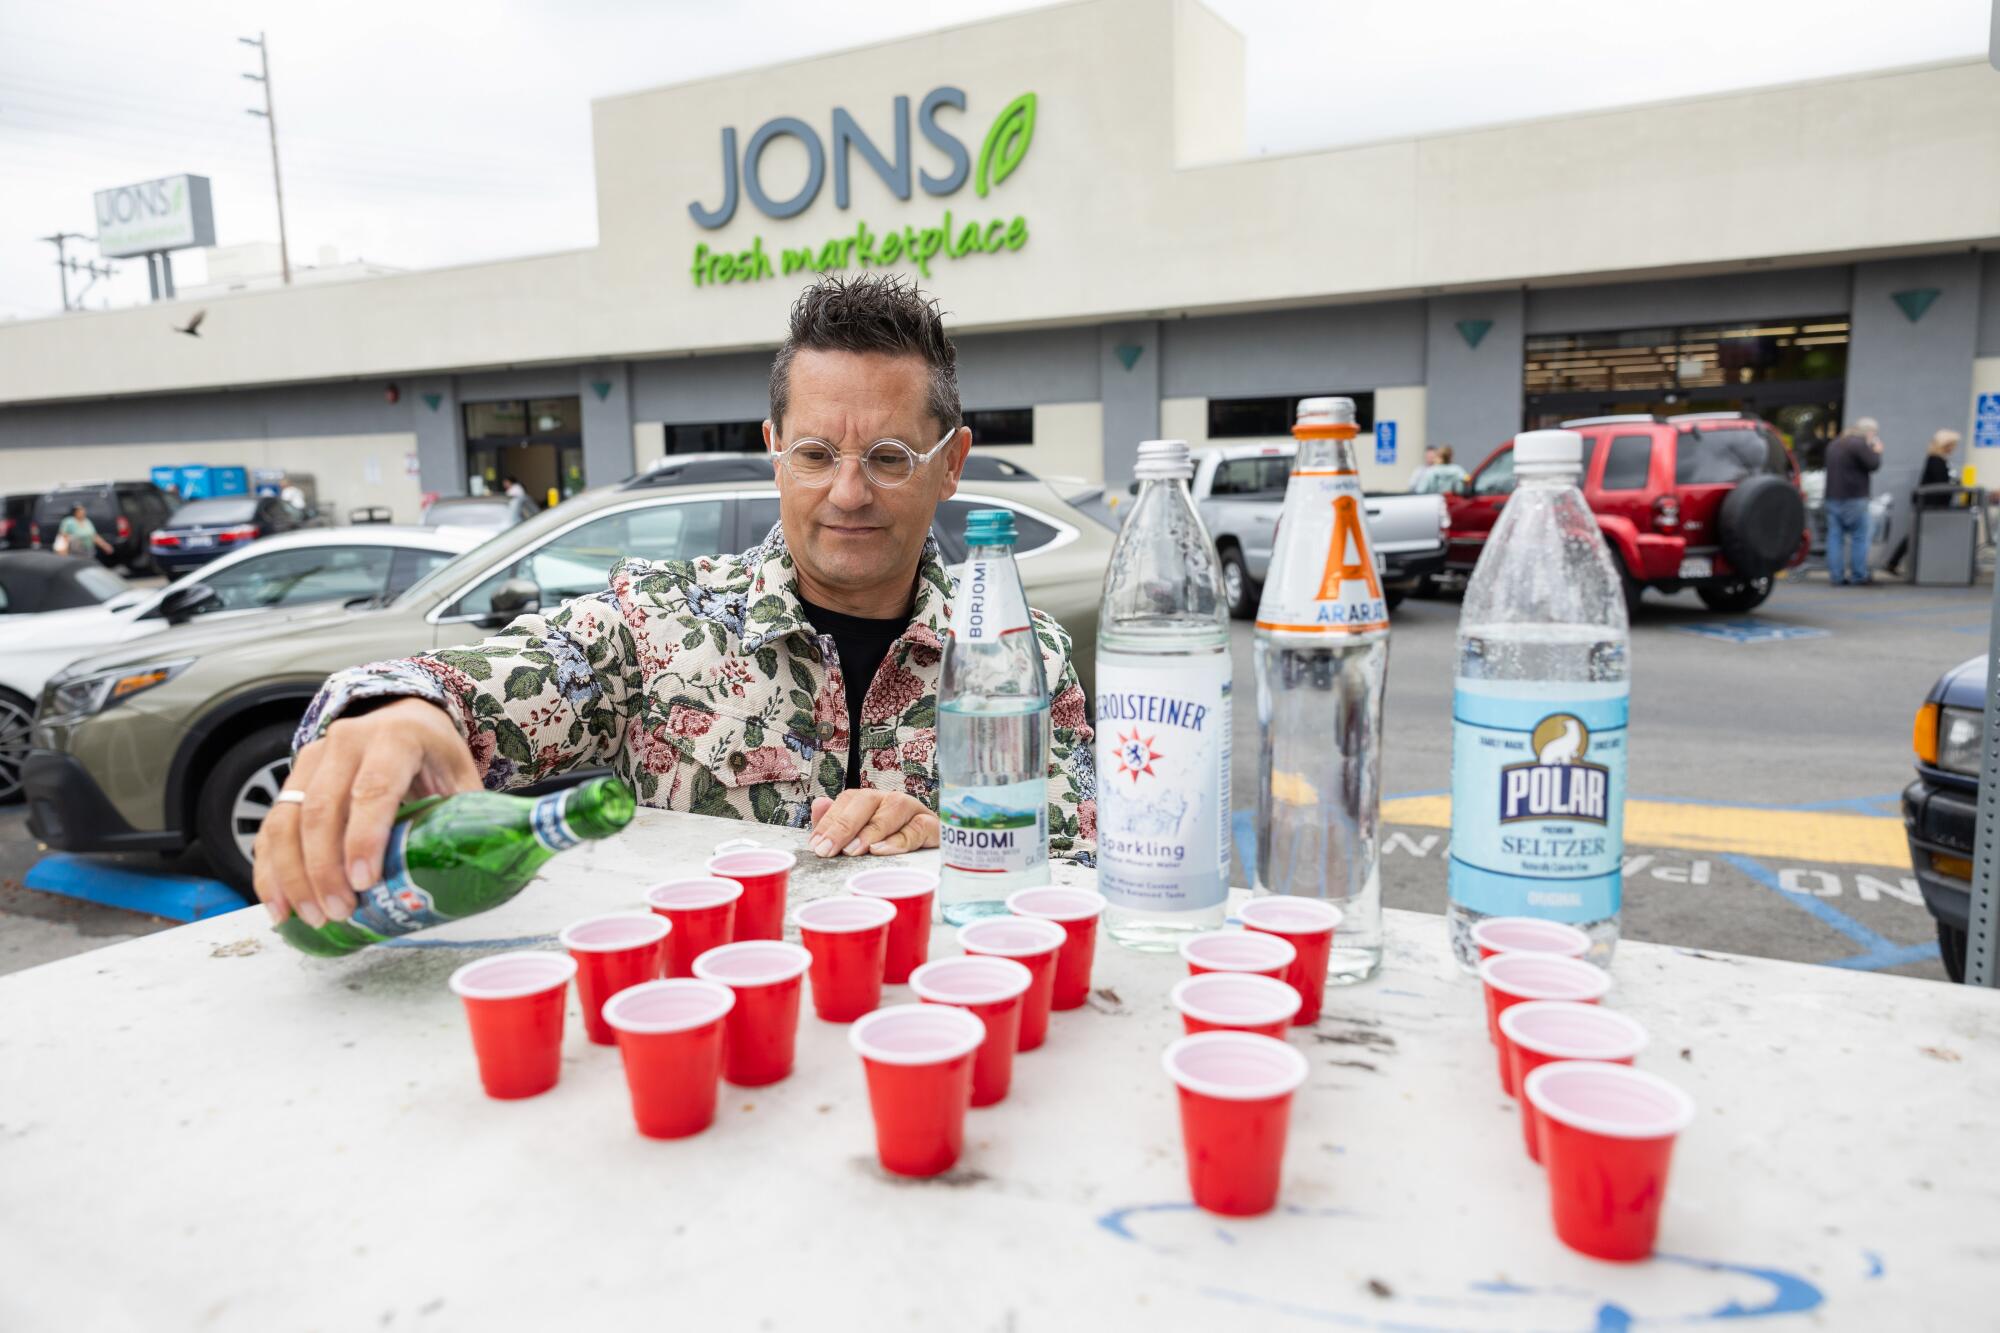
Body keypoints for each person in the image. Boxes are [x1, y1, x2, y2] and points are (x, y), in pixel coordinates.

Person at [254, 275, 1098, 928]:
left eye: (886, 456)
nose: (847, 492)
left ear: (951, 464)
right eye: (813, 453)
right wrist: (401, 712)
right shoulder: (661, 625)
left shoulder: (1027, 656)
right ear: (773, 452)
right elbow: (485, 681)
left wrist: (947, 835)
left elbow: (1081, 868)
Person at [1883, 429, 1961, 578]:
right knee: (1917, 533)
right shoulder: (1935, 460)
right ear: (1945, 445)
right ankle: (1893, 562)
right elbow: (1940, 483)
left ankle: (1895, 562)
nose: (1954, 448)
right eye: (1952, 445)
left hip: (1933, 505)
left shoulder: (1939, 459)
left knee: (1917, 533)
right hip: (1931, 505)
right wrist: (1955, 484)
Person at [1822, 416, 1884, 586]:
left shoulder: (1835, 443)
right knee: (1859, 537)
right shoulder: (1858, 444)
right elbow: (1873, 464)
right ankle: (1859, 575)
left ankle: (1836, 576)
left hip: (1832, 497)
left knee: (1835, 537)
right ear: (1870, 432)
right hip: (1854, 497)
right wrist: (1877, 451)